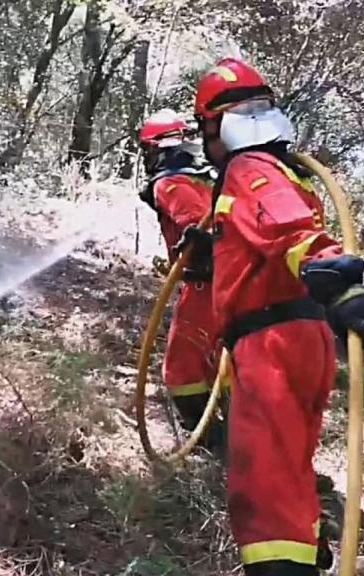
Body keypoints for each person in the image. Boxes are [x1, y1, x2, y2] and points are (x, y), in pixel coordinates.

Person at [182, 58, 364, 576]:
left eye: (208, 133)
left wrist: (331, 271)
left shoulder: (249, 170)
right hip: (302, 337)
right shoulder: (282, 173)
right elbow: (261, 236)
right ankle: (305, 551)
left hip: (271, 341)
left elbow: (286, 229)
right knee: (288, 464)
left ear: (217, 128)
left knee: (263, 480)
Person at [138, 109, 225, 451]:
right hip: (232, 282)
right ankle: (240, 432)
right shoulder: (207, 178)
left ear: (158, 149)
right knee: (221, 359)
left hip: (205, 285)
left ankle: (208, 440)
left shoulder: (171, 183)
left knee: (182, 368)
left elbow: (196, 225)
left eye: (147, 151)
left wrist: (197, 244)